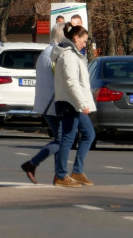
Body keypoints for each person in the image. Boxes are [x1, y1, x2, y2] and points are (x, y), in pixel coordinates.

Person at [20, 23, 66, 184]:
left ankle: (59, 174)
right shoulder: (56, 54)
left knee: (61, 139)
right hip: (55, 104)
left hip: (48, 103)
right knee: (62, 140)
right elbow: (61, 80)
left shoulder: (47, 52)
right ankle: (33, 164)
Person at [52, 23, 97, 187]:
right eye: (83, 41)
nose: (84, 44)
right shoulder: (68, 55)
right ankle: (61, 175)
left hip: (73, 102)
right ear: (75, 37)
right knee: (69, 137)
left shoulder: (73, 54)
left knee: (88, 134)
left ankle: (76, 172)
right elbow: (71, 82)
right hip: (71, 102)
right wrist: (81, 103)